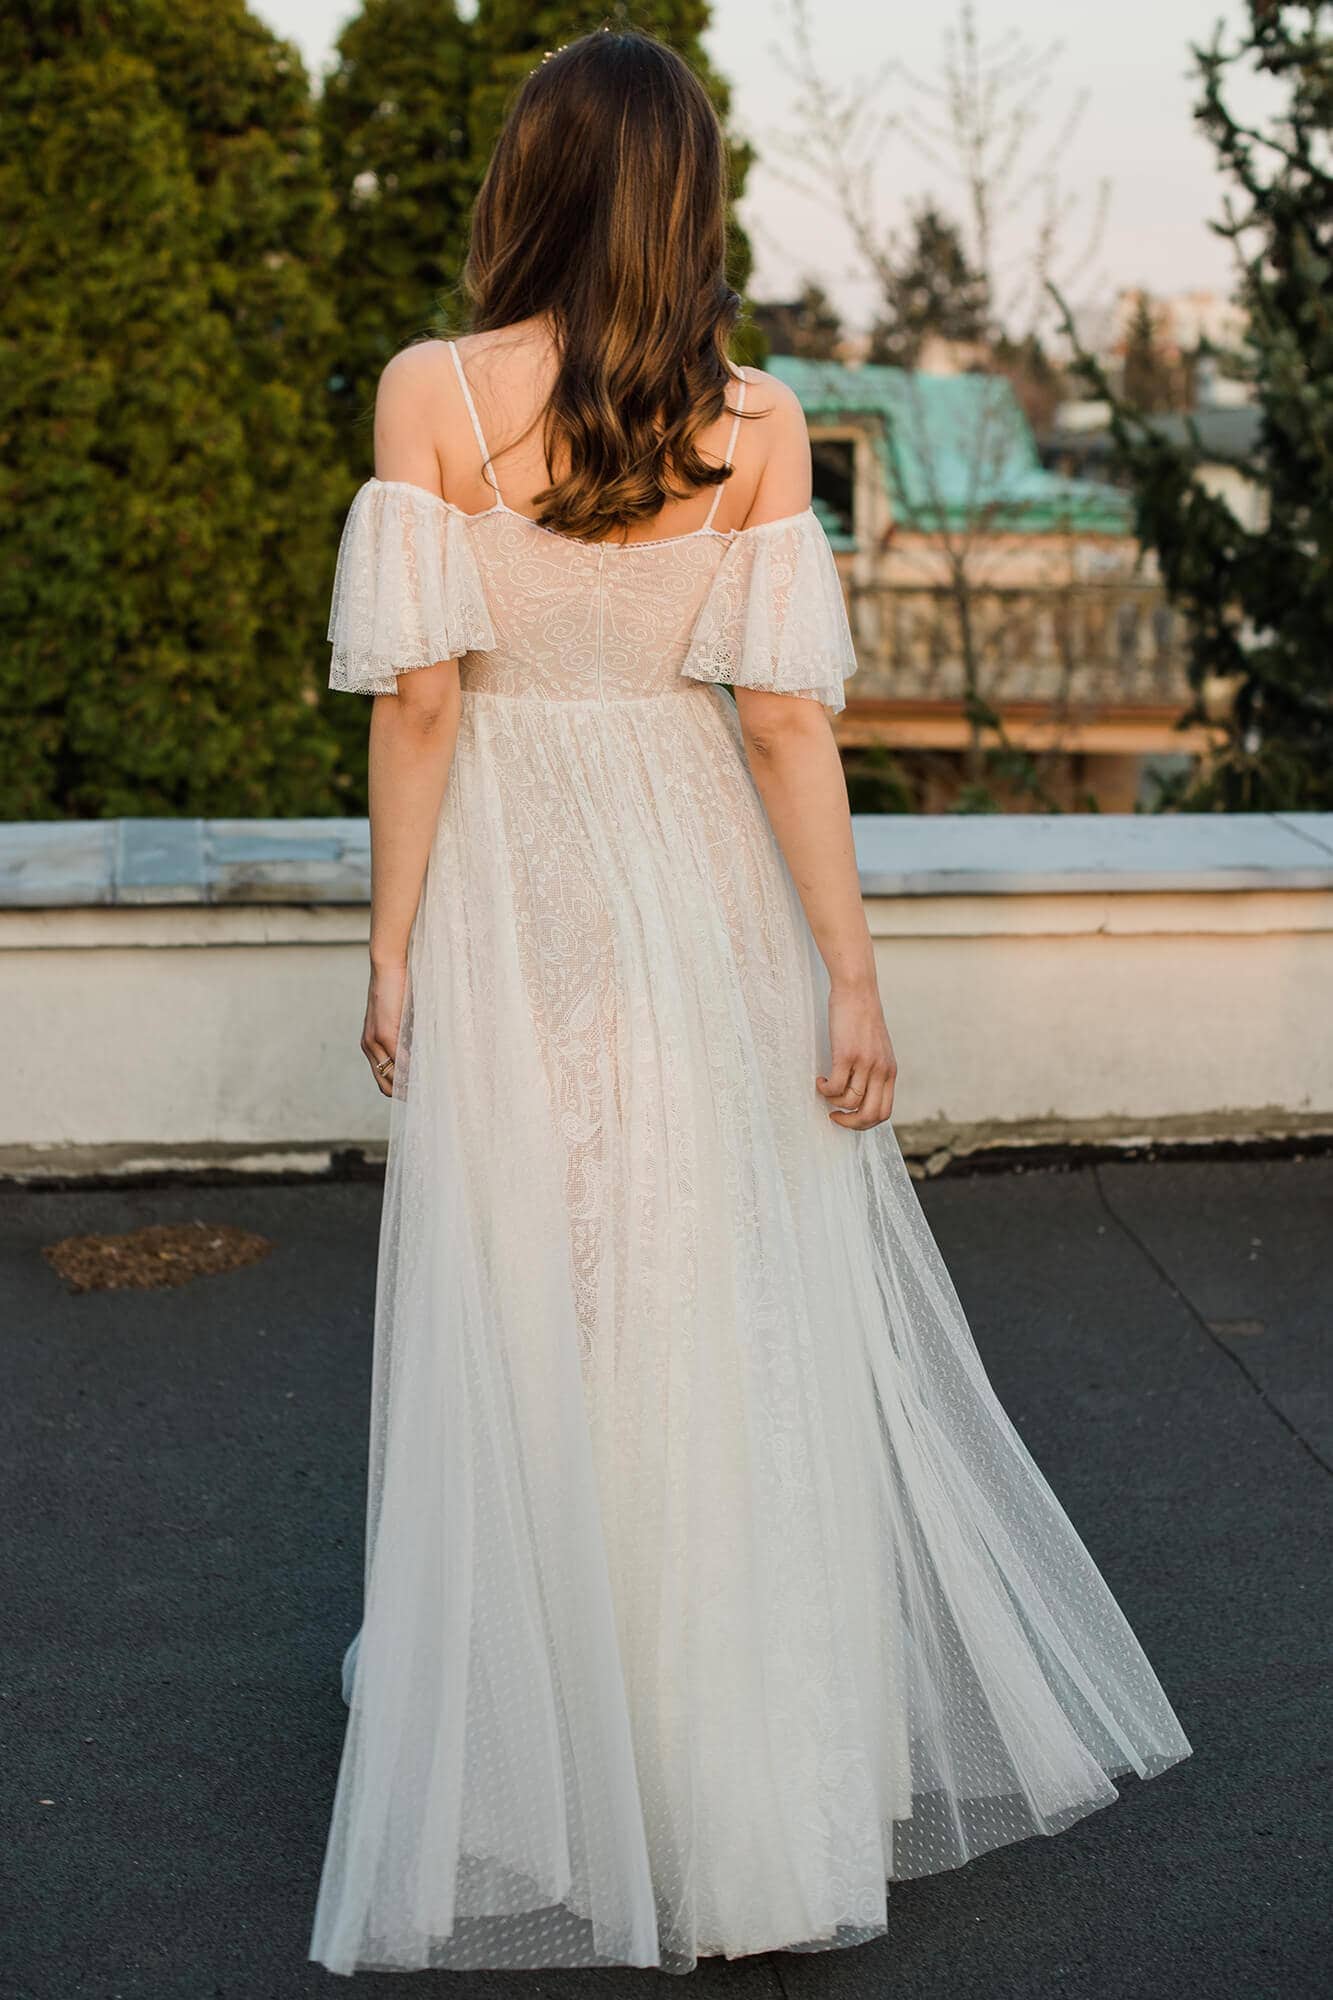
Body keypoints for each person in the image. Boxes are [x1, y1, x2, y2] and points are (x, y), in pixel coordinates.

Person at [308, 27, 1190, 1978]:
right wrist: (847, 972)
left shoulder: (433, 392)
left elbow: (425, 701)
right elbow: (787, 725)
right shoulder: (763, 419)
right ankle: (735, 1761)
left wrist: (390, 940)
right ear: (687, 202)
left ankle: (555, 1735)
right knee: (708, 1275)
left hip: (521, 870)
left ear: (534, 179)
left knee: (545, 1272)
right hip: (694, 862)